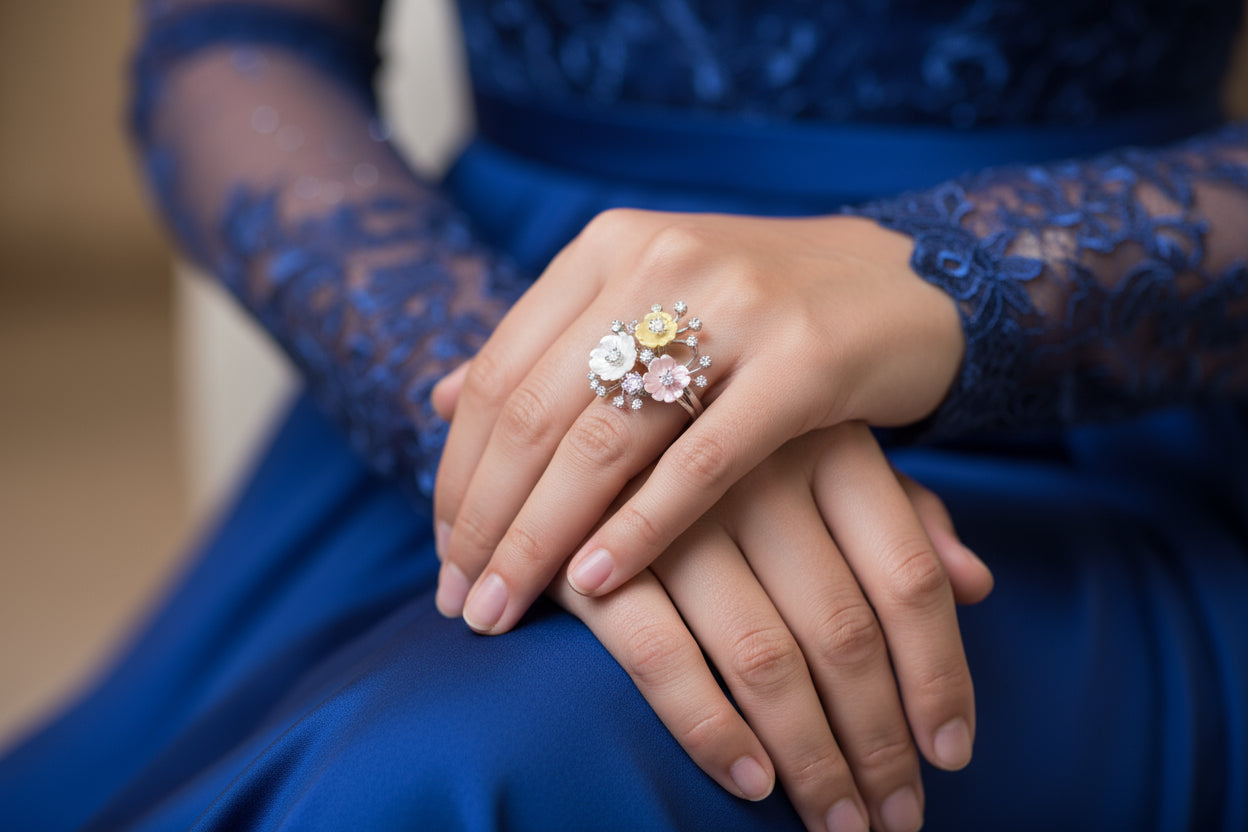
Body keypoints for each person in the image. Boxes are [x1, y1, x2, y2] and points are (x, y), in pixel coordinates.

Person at [2, 0, 1246, 830]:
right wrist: (547, 409)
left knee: (460, 768)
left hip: (1100, 377)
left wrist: (951, 278)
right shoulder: (508, 368)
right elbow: (230, 44)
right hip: (473, 336)